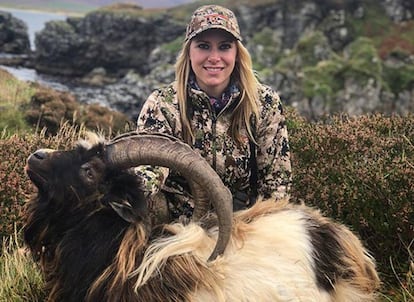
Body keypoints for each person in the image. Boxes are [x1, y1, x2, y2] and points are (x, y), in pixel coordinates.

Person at [136, 4, 291, 221]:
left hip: (244, 227)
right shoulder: (163, 105)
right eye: (204, 46)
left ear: (237, 53)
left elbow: (276, 184)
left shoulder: (264, 103)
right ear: (189, 52)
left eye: (225, 46)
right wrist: (130, 192)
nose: (214, 57)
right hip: (178, 229)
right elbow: (151, 168)